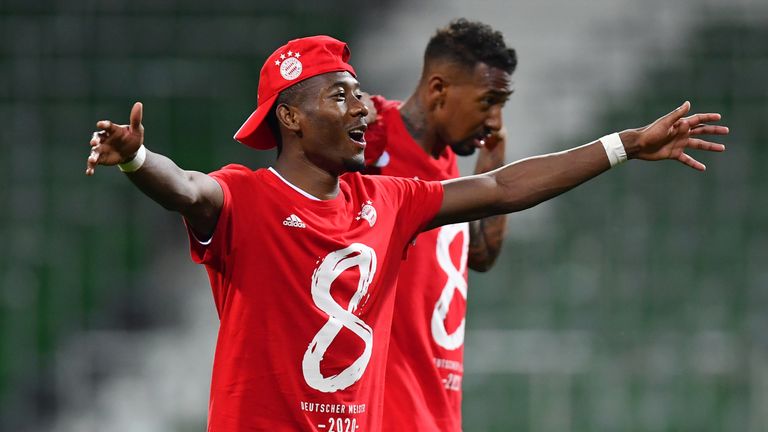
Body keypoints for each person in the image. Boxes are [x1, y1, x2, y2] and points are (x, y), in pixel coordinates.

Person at [84, 35, 727, 432]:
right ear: (292, 118)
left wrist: (625, 145)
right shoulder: (245, 197)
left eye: (361, 94)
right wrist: (139, 160)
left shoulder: (387, 200)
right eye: (341, 96)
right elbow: (187, 188)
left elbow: (502, 190)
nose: (362, 108)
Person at [360, 19, 515, 431]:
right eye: (488, 102)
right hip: (382, 410)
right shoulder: (372, 137)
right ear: (438, 90)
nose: (496, 119)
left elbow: (478, 256)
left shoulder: (449, 167)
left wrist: (492, 161)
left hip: (437, 411)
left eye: (503, 104)